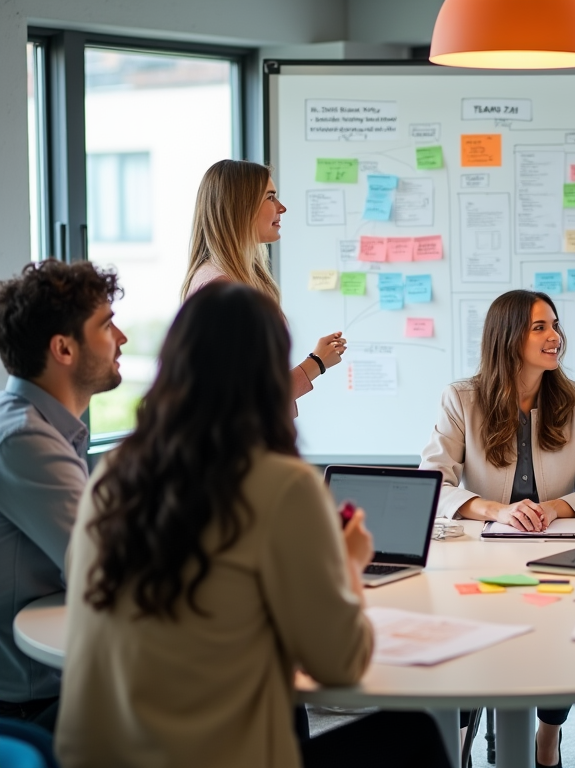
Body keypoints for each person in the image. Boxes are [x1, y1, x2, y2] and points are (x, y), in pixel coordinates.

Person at [55, 283, 450, 768]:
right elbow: (341, 664)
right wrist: (347, 564)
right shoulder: (280, 485)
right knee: (412, 731)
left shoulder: (114, 474)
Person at [419, 289, 575, 768]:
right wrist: (493, 509)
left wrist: (552, 508)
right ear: (508, 337)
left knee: (560, 626)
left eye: (555, 326)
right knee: (465, 633)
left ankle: (548, 736)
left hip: (557, 554)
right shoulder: (461, 399)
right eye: (540, 328)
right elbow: (431, 483)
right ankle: (460, 737)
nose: (555, 337)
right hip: (481, 556)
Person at [0, 260, 125, 731]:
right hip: (40, 703)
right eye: (107, 325)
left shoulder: (47, 429)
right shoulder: (23, 440)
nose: (122, 339)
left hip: (65, 671)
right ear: (63, 349)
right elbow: (112, 570)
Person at [181, 159, 345, 407]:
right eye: (270, 197)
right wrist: (317, 362)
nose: (282, 208)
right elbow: (248, 399)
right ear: (240, 207)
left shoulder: (226, 281)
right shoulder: (223, 292)